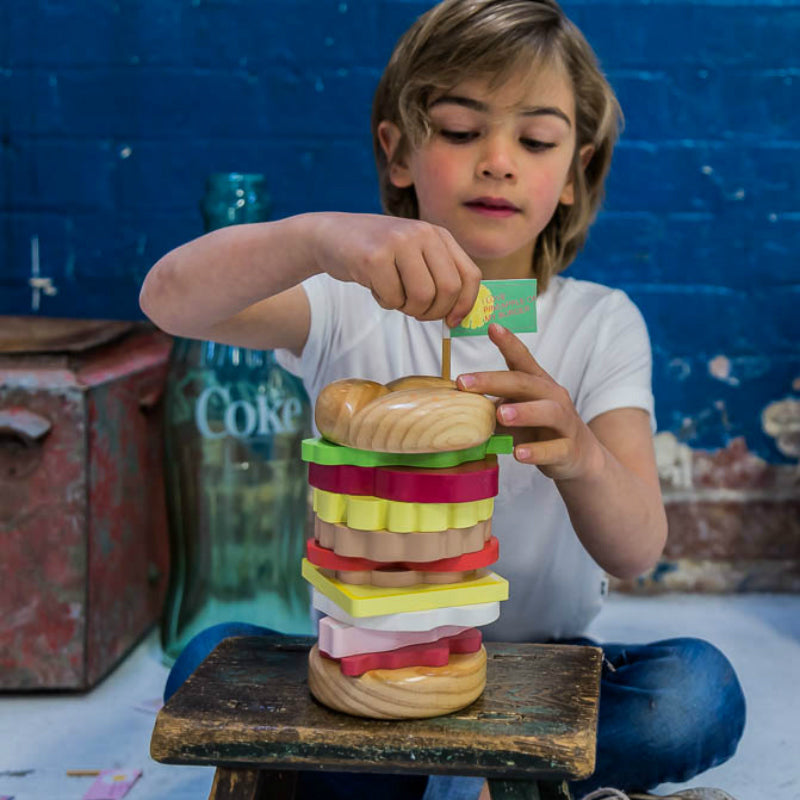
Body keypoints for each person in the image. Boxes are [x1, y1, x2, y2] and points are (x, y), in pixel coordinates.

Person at [140, 1, 745, 797]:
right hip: (363, 659)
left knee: (694, 693)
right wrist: (319, 238)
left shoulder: (600, 323)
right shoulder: (341, 304)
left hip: (536, 670)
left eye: (535, 140)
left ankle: (429, 774)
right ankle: (502, 780)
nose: (497, 160)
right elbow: (168, 300)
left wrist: (582, 454)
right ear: (397, 153)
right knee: (204, 658)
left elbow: (635, 549)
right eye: (461, 131)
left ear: (575, 171)